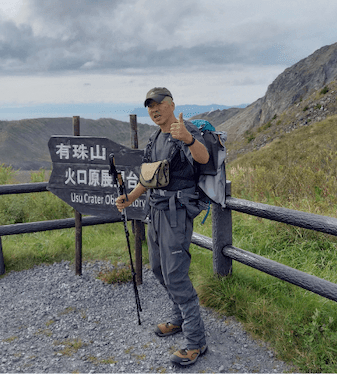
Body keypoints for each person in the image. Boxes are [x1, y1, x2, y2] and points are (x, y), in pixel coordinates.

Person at [115, 87, 209, 366]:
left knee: (176, 274)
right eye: (150, 106)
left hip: (177, 212)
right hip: (155, 211)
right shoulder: (155, 136)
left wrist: (189, 139)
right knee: (158, 268)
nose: (154, 110)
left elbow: (204, 158)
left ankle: (196, 341)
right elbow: (148, 176)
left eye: (159, 104)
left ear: (171, 105)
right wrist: (129, 198)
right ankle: (179, 319)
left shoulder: (183, 130)